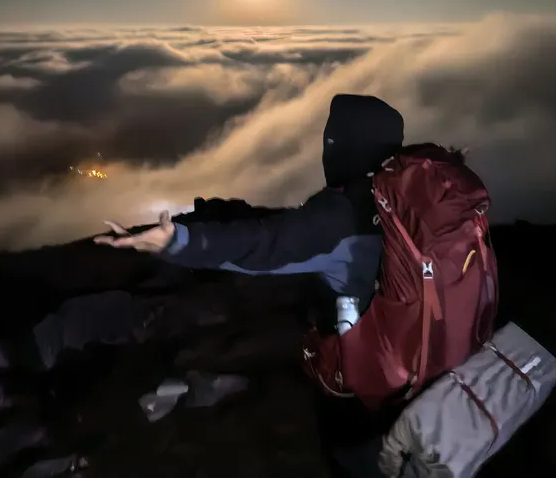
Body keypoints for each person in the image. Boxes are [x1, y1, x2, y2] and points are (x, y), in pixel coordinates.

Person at [96, 93, 405, 477]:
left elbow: (266, 247)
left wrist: (176, 241)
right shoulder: (407, 198)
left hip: (363, 378)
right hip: (421, 363)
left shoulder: (341, 215)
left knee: (355, 457)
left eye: (331, 139)